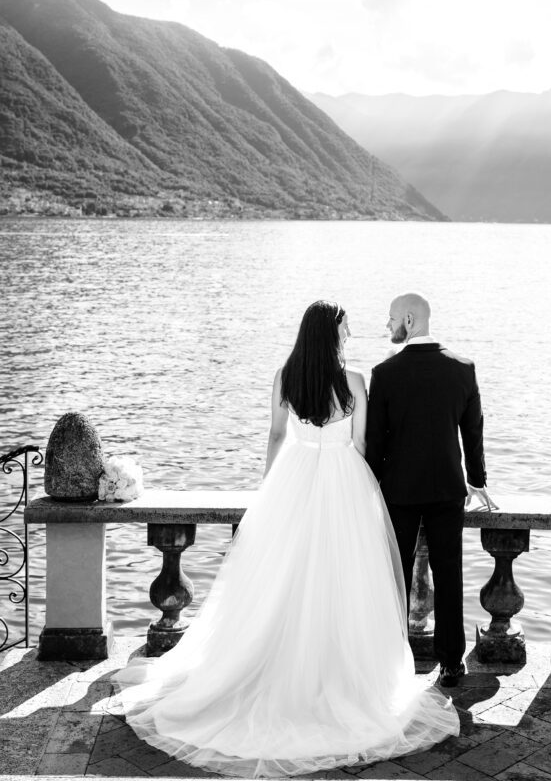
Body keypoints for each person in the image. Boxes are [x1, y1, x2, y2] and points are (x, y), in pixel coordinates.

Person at [113, 299, 459, 779]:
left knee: (283, 583)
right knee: (345, 584)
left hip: (294, 478)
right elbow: (361, 446)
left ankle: (280, 673)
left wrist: (268, 495)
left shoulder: (285, 377)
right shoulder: (356, 381)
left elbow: (276, 438)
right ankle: (342, 680)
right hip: (345, 481)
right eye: (346, 329)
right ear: (332, 335)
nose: (351, 335)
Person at [366, 292, 496, 688]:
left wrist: (369, 486)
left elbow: (375, 442)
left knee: (396, 575)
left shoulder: (385, 373)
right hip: (446, 490)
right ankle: (452, 663)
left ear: (409, 319)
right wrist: (477, 480)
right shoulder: (462, 368)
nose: (387, 326)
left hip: (399, 492)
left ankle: (391, 658)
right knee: (448, 572)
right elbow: (472, 430)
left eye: (390, 319)